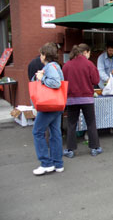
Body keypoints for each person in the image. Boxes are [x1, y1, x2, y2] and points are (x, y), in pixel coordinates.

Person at [62, 43, 102, 158]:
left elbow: (63, 81)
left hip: (71, 99)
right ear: (86, 52)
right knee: (91, 123)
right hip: (87, 99)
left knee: (71, 124)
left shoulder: (67, 65)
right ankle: (94, 148)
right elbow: (95, 80)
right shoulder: (89, 64)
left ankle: (70, 149)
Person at [32, 42, 64, 175]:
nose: (40, 57)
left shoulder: (50, 67)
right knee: (55, 133)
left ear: (45, 55)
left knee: (37, 132)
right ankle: (58, 163)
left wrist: (42, 78)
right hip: (57, 105)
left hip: (48, 106)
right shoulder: (56, 66)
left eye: (41, 54)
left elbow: (56, 83)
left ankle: (46, 163)